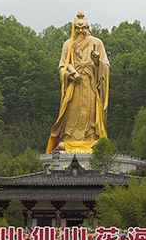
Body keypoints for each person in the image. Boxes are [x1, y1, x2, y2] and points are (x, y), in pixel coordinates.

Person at [45, 12, 110, 154]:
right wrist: (70, 73)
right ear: (73, 29)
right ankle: (68, 140)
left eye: (83, 28)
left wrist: (97, 61)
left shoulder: (97, 43)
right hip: (74, 87)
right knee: (71, 112)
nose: (80, 31)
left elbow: (106, 66)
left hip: (91, 85)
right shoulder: (68, 44)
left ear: (88, 27)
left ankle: (91, 139)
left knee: (91, 113)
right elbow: (62, 66)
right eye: (77, 28)